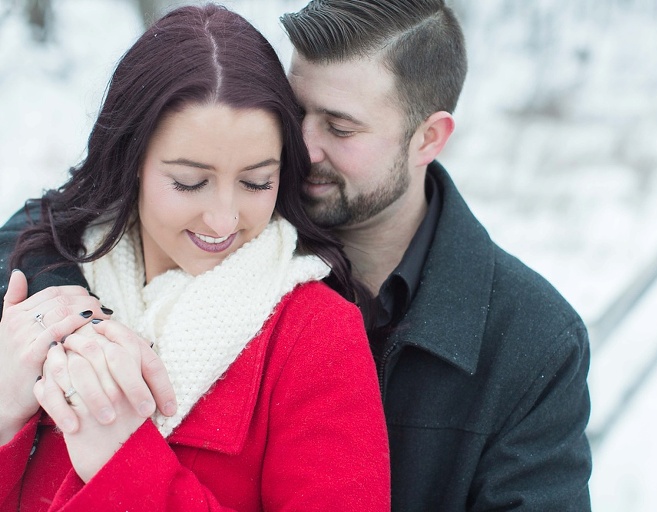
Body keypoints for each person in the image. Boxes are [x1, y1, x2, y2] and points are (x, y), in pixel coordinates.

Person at [0, 4, 389, 510]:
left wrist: (125, 464)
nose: (224, 220)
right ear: (132, 162)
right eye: (189, 182)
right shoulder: (37, 283)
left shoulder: (315, 336)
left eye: (256, 182)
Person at [279, 1, 592, 510]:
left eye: (339, 128)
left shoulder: (535, 339)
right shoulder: (227, 258)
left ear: (428, 138)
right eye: (294, 112)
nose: (302, 146)